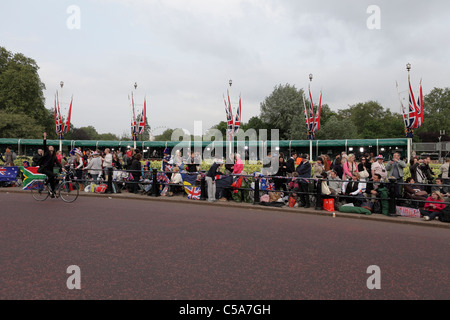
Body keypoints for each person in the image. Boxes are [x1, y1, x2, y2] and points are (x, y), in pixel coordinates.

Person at [36, 133, 62, 197]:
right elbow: (44, 145)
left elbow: (58, 163)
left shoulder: (54, 156)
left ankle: (53, 192)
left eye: (52, 146)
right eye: (50, 146)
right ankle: (45, 184)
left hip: (50, 169)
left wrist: (62, 167)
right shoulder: (47, 152)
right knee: (53, 175)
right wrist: (44, 138)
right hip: (44, 168)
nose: (51, 147)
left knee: (53, 180)